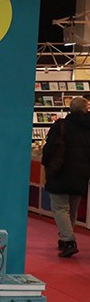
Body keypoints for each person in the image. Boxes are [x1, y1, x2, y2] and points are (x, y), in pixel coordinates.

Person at [42, 95, 90, 258]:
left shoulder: (61, 125)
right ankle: (64, 238)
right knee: (72, 209)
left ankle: (69, 241)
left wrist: (46, 164)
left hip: (60, 171)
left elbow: (49, 148)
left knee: (60, 208)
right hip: (81, 173)